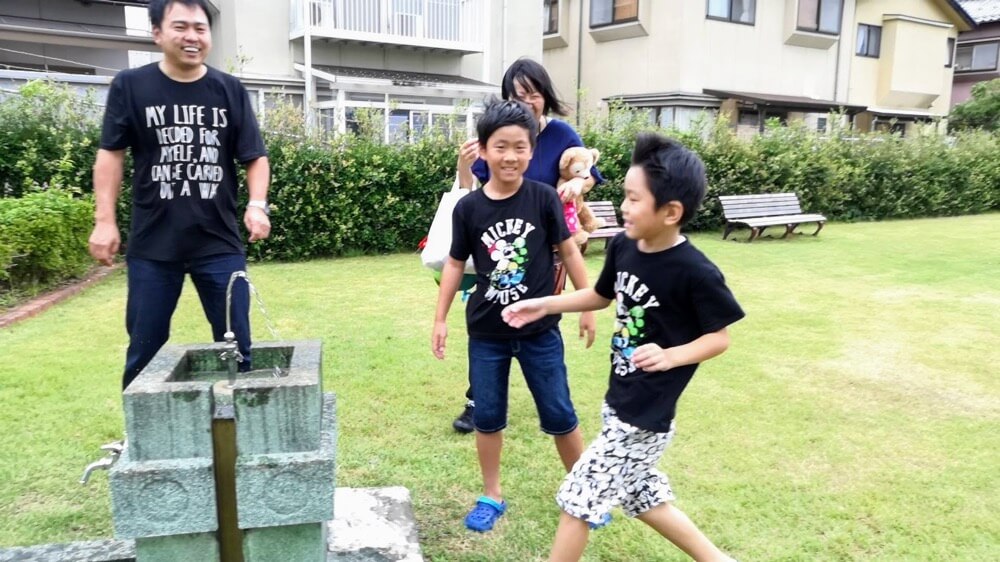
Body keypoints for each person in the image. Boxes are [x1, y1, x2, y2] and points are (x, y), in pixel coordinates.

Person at [502, 133, 744, 561]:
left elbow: (719, 337)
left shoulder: (696, 271)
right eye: (625, 197)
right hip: (620, 399)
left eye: (634, 200)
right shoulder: (623, 245)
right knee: (641, 495)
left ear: (671, 212)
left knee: (578, 498)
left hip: (646, 413)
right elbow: (600, 295)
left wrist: (672, 355)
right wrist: (544, 304)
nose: (625, 208)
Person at [87, 0, 271, 390]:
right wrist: (104, 221)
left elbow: (255, 157)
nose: (192, 37)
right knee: (145, 350)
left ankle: (241, 434)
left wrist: (257, 205)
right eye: (180, 27)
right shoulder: (130, 86)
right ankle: (142, 439)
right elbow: (110, 155)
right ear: (157, 33)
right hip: (153, 247)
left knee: (238, 344)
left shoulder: (228, 89)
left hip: (219, 243)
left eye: (201, 28)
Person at [431, 99, 590, 533]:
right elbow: (452, 263)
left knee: (560, 414)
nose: (511, 156)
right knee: (488, 416)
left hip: (540, 331)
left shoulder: (542, 198)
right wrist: (440, 318)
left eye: (521, 147)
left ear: (532, 151)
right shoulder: (469, 209)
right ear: (483, 150)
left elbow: (568, 249)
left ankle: (583, 492)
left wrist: (589, 301)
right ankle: (492, 494)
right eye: (501, 146)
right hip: (486, 333)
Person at [451, 57, 602, 433]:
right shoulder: (499, 136)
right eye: (517, 95)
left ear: (545, 97)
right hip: (496, 246)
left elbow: (587, 172)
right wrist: (463, 164)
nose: (525, 102)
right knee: (489, 316)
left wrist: (575, 186)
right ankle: (478, 399)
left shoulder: (562, 134)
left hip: (547, 248)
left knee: (538, 324)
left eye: (532, 94)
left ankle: (550, 398)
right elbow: (473, 189)